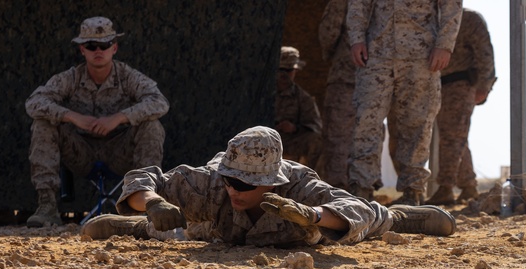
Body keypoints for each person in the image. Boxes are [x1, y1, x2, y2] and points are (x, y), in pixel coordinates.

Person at [80, 126, 454, 246]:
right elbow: (145, 177)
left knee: (370, 220)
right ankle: (139, 229)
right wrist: (152, 206)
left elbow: (352, 207)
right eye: (231, 179)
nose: (235, 189)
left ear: (273, 181)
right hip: (219, 230)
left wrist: (312, 215)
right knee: (190, 230)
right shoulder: (212, 181)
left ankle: (402, 218)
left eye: (247, 183)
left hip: (297, 227)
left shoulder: (300, 185)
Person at [25, 16, 169, 228]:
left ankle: (143, 204)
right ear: (82, 50)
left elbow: (159, 102)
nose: (98, 50)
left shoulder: (127, 76)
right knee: (42, 124)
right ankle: (47, 207)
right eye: (91, 46)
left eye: (105, 45)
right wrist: (72, 117)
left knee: (152, 126)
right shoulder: (71, 78)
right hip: (81, 153)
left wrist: (119, 118)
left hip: (119, 152)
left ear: (115, 48)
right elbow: (34, 102)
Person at [346, 0, 463, 205]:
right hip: (377, 52)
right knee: (366, 120)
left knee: (417, 122)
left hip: (421, 53)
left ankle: (413, 191)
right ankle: (361, 189)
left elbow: (451, 5)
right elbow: (359, 3)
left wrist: (445, 44)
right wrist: (356, 38)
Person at [428, 8, 495, 205]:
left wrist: (484, 85)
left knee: (452, 136)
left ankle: (446, 187)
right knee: (456, 136)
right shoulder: (432, 17)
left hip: (461, 83)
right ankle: (468, 186)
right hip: (440, 84)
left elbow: (485, 53)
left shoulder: (469, 19)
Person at [317, 0, 355, 188]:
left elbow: (330, 31)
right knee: (367, 134)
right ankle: (363, 188)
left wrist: (329, 55)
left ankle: (338, 190)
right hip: (377, 78)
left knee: (337, 136)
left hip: (345, 73)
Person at [275, 46, 322, 167]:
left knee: (315, 140)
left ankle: (305, 178)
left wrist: (294, 128)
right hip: (258, 140)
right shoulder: (260, 92)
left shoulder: (302, 98)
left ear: (295, 71)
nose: (284, 75)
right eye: (281, 70)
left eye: (289, 70)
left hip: (286, 142)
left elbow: (315, 127)